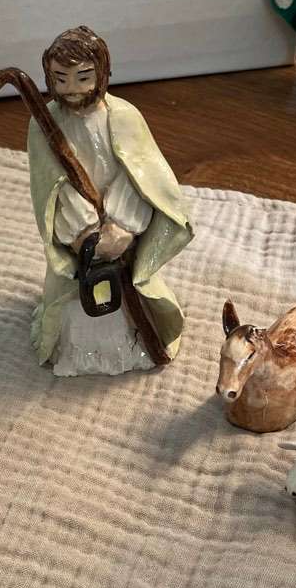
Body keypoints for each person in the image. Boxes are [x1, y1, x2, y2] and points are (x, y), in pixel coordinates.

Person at [27, 27, 193, 376]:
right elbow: (50, 183)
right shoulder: (43, 122)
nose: (72, 89)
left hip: (121, 232)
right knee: (78, 297)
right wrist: (82, 230)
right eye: (61, 79)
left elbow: (142, 174)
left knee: (129, 298)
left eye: (83, 77)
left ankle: (139, 342)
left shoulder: (124, 116)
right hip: (81, 236)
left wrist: (122, 225)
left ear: (102, 73)